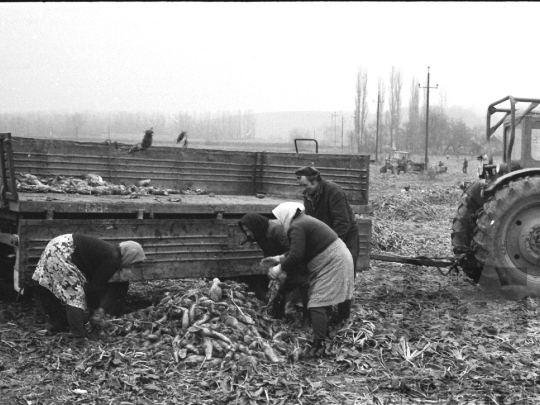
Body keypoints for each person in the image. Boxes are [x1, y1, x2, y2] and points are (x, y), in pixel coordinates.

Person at [261, 202, 354, 358]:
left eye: (278, 218)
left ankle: (319, 345)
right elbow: (301, 251)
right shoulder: (302, 221)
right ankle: (337, 327)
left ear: (285, 216)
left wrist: (278, 269)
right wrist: (278, 258)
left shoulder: (296, 226)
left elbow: (297, 256)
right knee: (326, 299)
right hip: (337, 257)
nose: (279, 223)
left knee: (317, 303)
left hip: (333, 262)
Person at [32, 234, 146, 343]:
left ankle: (61, 326)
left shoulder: (111, 251)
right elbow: (94, 288)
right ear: (130, 254)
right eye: (132, 262)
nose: (130, 266)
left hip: (58, 244)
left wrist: (92, 308)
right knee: (74, 296)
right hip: (64, 250)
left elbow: (92, 281)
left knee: (65, 290)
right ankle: (79, 339)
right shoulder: (113, 260)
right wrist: (95, 309)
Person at [295, 166, 359, 324]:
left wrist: (330, 246)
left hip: (345, 236)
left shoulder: (333, 192)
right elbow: (310, 222)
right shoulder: (308, 196)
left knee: (345, 273)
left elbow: (342, 223)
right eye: (301, 186)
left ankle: (343, 317)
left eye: (305, 185)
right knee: (323, 274)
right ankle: (326, 311)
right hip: (326, 237)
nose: (303, 190)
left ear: (315, 181)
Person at [238, 213, 309, 325]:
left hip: (296, 263)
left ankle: (307, 323)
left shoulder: (276, 230)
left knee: (303, 291)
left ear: (255, 226)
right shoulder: (259, 233)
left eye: (248, 230)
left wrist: (282, 270)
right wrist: (272, 269)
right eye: (245, 231)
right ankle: (278, 318)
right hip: (281, 263)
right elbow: (268, 253)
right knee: (277, 291)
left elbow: (293, 252)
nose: (247, 234)